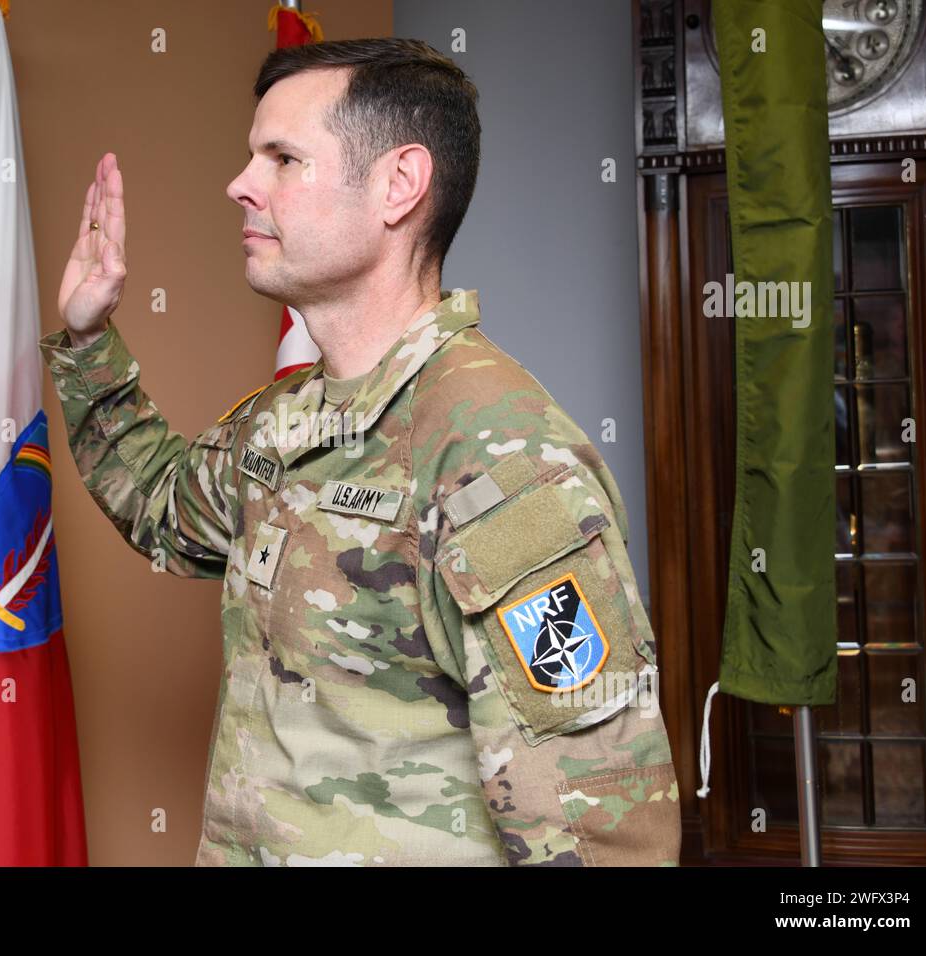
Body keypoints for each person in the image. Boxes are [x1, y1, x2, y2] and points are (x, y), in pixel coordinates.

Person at [39, 38, 681, 866]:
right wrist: (88, 336)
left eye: (283, 157)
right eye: (250, 156)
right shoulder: (289, 418)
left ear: (398, 185)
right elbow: (164, 508)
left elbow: (602, 831)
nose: (240, 183)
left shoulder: (496, 454)